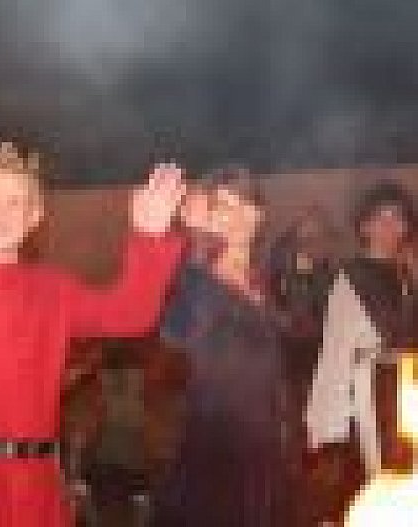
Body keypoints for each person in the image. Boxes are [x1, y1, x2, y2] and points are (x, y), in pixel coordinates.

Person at [0, 141, 192, 527]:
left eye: (14, 203)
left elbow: (131, 315)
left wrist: (149, 235)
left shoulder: (53, 288)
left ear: (34, 216)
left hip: (32, 489)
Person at [155, 170, 291, 527]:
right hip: (215, 452)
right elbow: (176, 333)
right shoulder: (192, 278)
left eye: (246, 203)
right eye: (223, 207)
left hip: (266, 449)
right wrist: (197, 247)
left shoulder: (263, 282)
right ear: (206, 218)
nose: (238, 215)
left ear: (259, 214)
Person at [305, 181, 418, 524]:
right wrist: (328, 419)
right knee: (381, 486)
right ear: (364, 226)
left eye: (398, 218)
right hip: (371, 394)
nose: (390, 226)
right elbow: (338, 346)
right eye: (381, 218)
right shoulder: (353, 276)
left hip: (405, 390)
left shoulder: (403, 273)